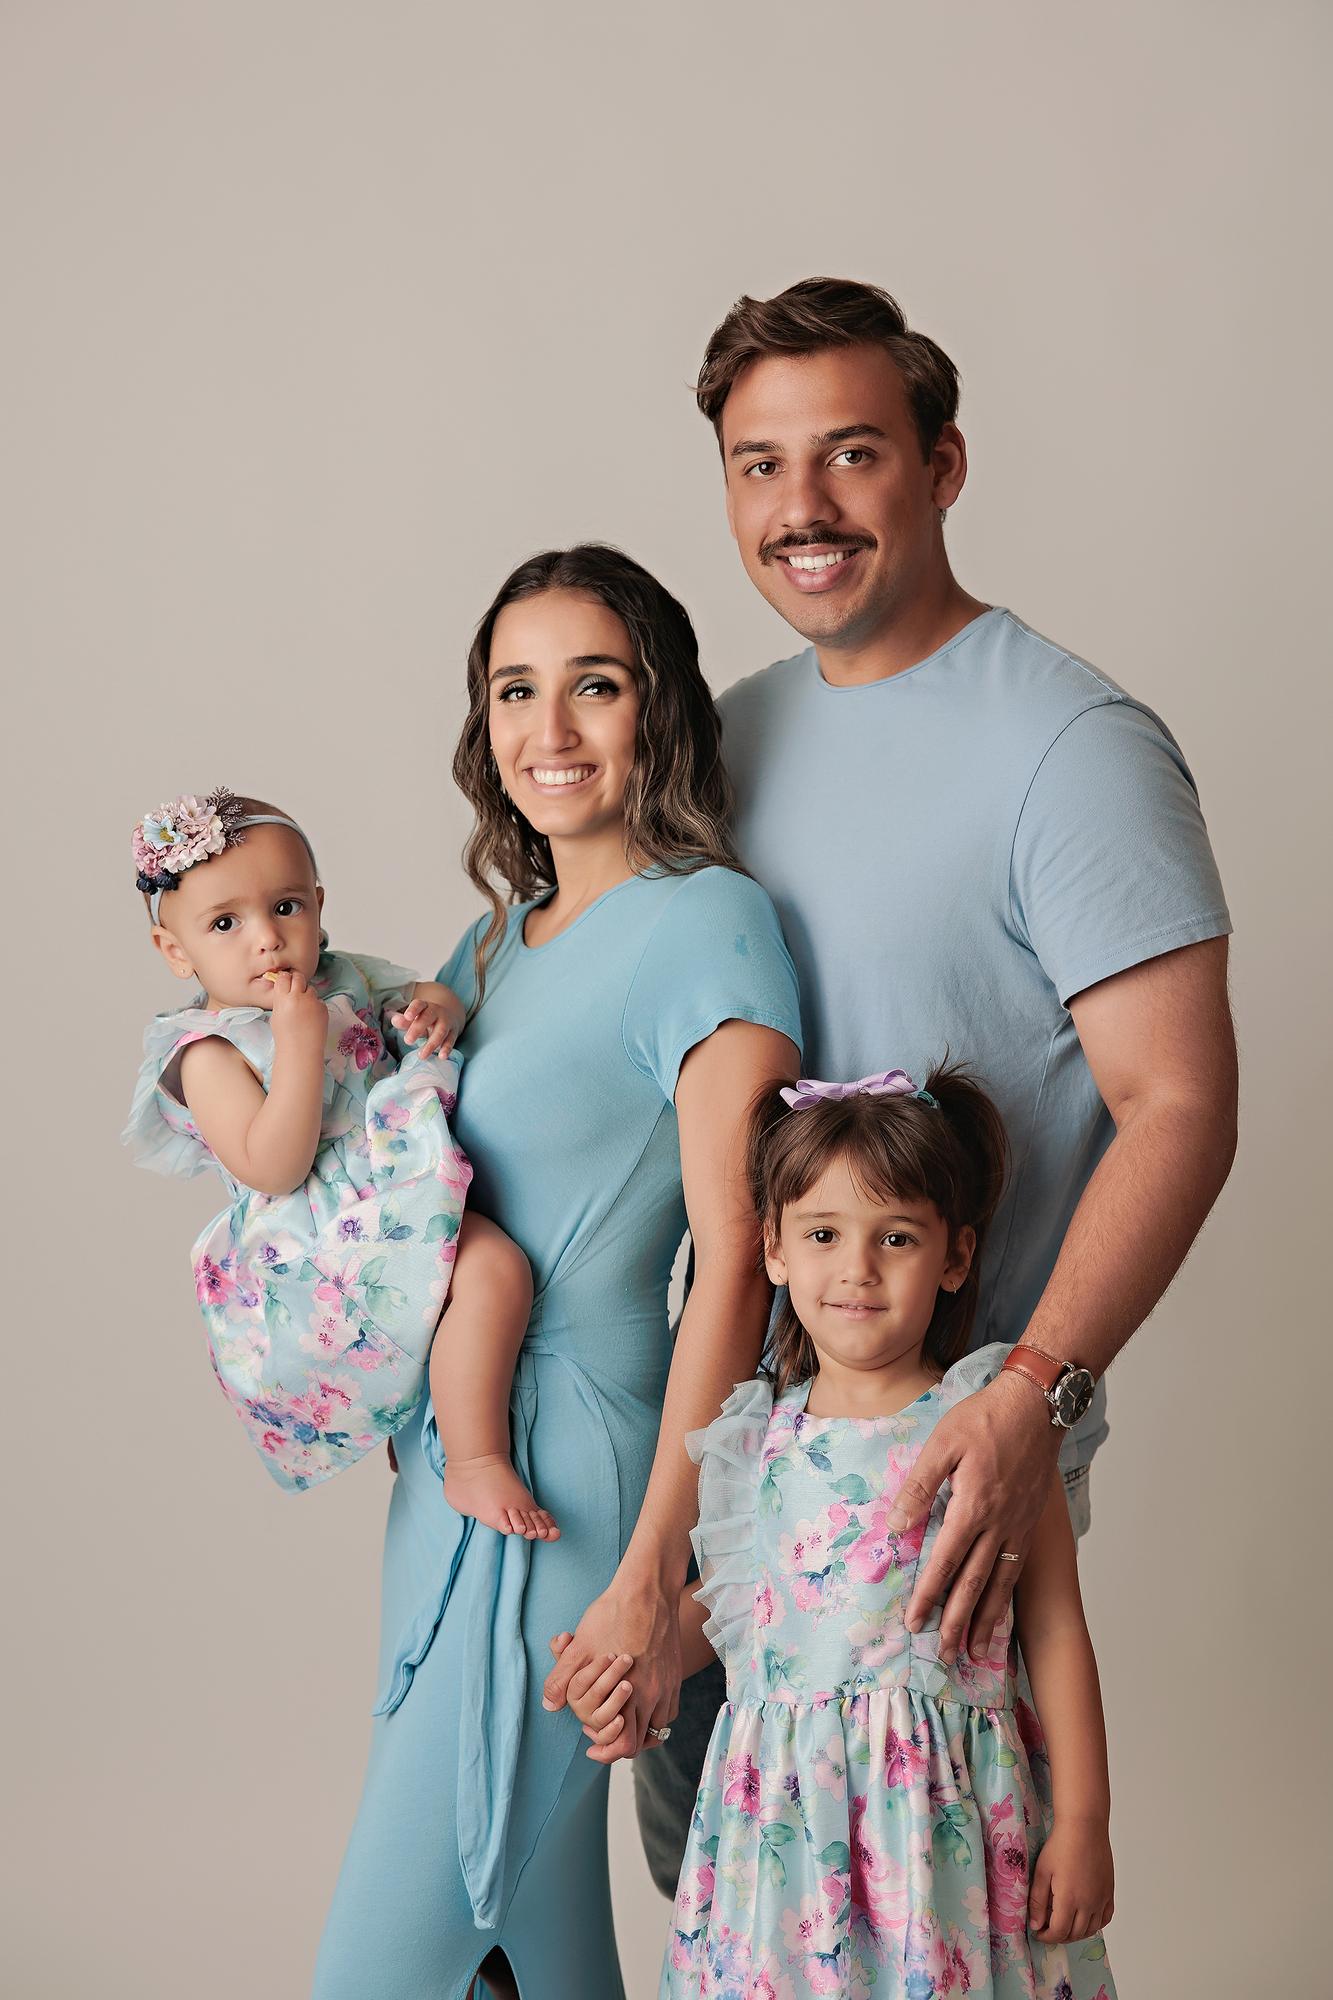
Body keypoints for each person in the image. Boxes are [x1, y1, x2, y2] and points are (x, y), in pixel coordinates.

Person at [628, 275, 1238, 1894]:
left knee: (941, 1929)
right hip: (729, 1455)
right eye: (757, 465)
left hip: (940, 1480)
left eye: (848, 455)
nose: (800, 508)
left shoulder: (1069, 745)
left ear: (942, 464)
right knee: (731, 1914)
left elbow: (1175, 1102)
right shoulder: (725, 740)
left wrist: (1032, 1395)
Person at [312, 545, 802, 2000]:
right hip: (449, 1482)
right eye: (515, 691)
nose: (552, 730)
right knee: (529, 1934)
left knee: (397, 1953)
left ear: (658, 707)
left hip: (586, 1482)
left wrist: (662, 1573)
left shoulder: (712, 921)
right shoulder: (492, 940)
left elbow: (737, 1273)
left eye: (595, 686)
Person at [564, 1067, 1117, 1998]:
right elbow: (743, 1620)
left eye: (894, 1238)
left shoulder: (987, 1423)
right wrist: (631, 1664)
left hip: (944, 1832)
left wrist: (1086, 1822)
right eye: (822, 1235)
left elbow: (1055, 1627)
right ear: (773, 1249)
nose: (856, 1268)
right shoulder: (751, 1437)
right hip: (780, 1836)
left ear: (953, 1256)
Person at [123, 788, 545, 1527]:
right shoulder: (207, 1054)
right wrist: (296, 1039)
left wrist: (432, 1011)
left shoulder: (340, 974)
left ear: (317, 904)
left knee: (474, 1287)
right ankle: (474, 1460)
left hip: (386, 1193)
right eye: (225, 923)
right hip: (316, 1241)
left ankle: (426, 1412)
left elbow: (425, 990)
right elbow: (274, 1164)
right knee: (491, 1269)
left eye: (285, 907)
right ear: (175, 951)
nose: (266, 938)